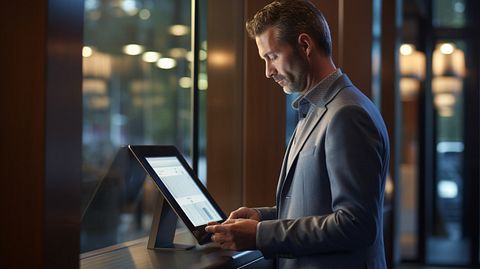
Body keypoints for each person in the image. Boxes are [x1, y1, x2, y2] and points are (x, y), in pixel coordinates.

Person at [205, 1, 390, 268]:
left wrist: (260, 235)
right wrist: (263, 217)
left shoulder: (347, 114)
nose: (268, 71)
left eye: (272, 57)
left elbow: (356, 224)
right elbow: (316, 208)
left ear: (305, 45)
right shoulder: (316, 108)